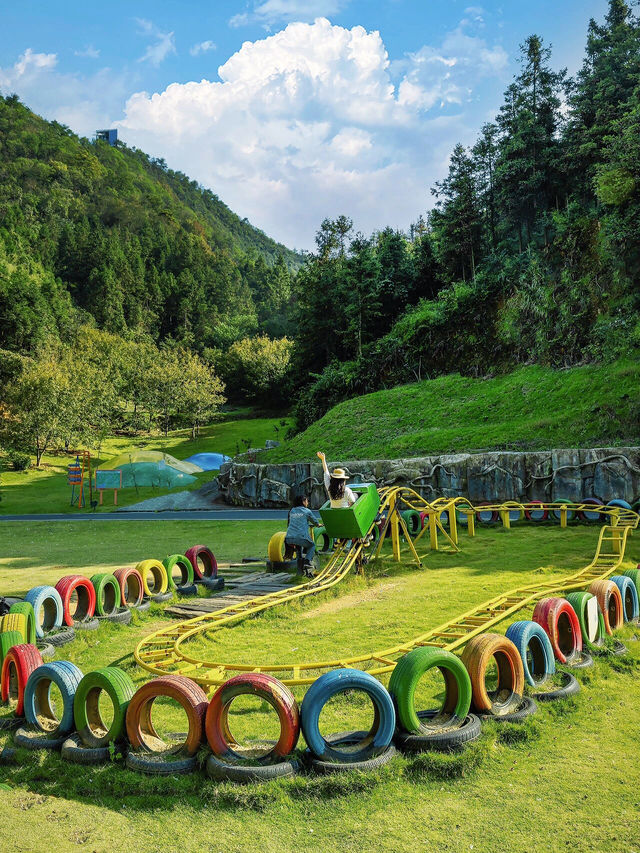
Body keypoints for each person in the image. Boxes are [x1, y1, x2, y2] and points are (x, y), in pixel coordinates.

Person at [285, 495, 320, 576]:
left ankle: (300, 572)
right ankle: (307, 561)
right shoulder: (307, 511)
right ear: (303, 501)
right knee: (312, 546)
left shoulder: (292, 510)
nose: (307, 503)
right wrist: (318, 524)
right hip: (301, 538)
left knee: (298, 550)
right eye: (307, 501)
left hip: (289, 538)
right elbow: (315, 521)